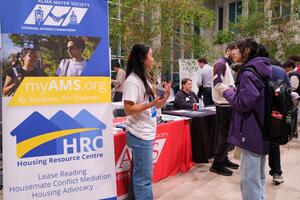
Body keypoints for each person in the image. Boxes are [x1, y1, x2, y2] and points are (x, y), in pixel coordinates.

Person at [220, 39, 272, 200]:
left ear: (247, 50)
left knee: (249, 180)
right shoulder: (262, 69)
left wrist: (227, 92)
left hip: (251, 131)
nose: (235, 52)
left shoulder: (249, 72)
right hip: (262, 129)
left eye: (238, 48)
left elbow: (244, 103)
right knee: (258, 178)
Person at [123, 44, 170, 200]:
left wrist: (165, 98)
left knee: (139, 173)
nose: (153, 59)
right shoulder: (132, 80)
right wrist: (151, 104)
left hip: (145, 132)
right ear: (143, 59)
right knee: (143, 179)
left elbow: (154, 105)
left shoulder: (144, 78)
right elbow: (128, 109)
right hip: (140, 135)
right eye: (151, 55)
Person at [257, 44, 289, 185]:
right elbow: (287, 90)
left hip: (259, 112)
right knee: (273, 142)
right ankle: (276, 173)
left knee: (257, 144)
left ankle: (257, 175)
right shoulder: (281, 72)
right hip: (276, 113)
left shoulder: (256, 69)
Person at [210, 43, 239, 176]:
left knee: (227, 135)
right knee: (225, 136)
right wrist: (232, 94)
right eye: (234, 52)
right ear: (228, 50)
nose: (236, 55)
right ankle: (217, 164)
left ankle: (224, 159)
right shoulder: (220, 63)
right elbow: (218, 84)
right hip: (224, 105)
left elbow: (226, 84)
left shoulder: (226, 64)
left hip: (227, 104)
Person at [283, 60, 300, 138]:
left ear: (290, 67)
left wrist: (285, 87)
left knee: (292, 114)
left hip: (294, 98)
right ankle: (291, 130)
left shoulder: (294, 75)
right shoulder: (291, 74)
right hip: (293, 97)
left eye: (286, 68)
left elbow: (293, 87)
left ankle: (293, 131)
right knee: (291, 115)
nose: (285, 69)